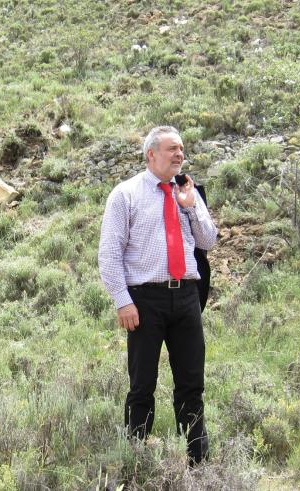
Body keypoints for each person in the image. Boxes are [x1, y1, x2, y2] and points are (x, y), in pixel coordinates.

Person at [98, 125, 219, 464]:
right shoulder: (126, 194)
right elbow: (109, 254)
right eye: (171, 149)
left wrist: (191, 206)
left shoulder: (189, 191)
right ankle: (135, 459)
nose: (179, 154)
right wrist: (123, 300)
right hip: (144, 301)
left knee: (192, 385)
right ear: (151, 154)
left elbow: (208, 241)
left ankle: (199, 464)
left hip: (186, 298)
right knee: (142, 386)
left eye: (181, 149)